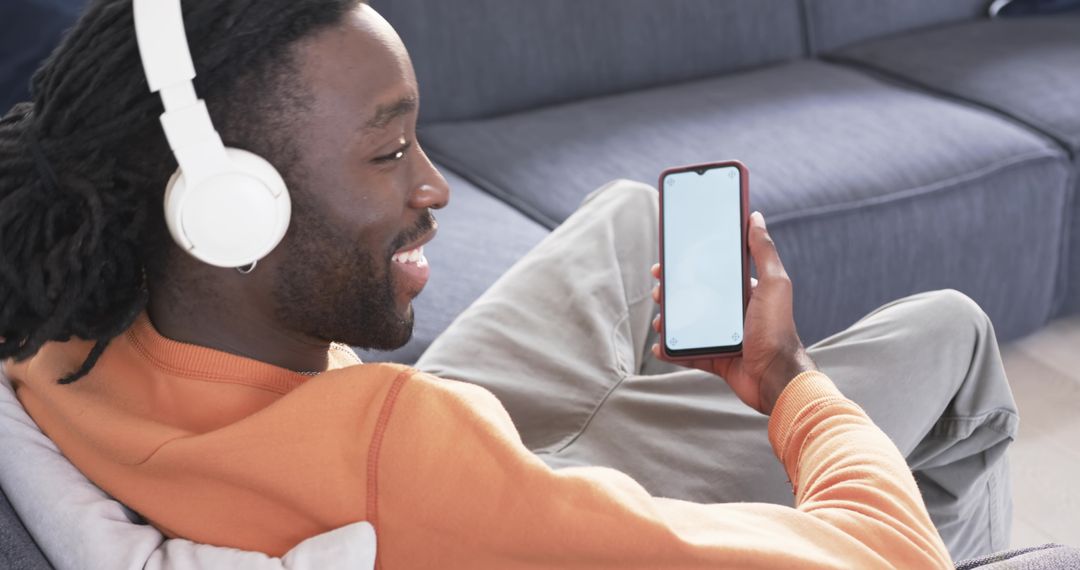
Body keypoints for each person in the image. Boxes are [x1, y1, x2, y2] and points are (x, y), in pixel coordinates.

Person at [0, 0, 1018, 567]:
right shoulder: (408, 456)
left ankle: (643, 406)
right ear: (233, 209)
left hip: (359, 443)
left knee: (630, 209)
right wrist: (791, 383)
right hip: (429, 476)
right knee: (953, 332)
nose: (433, 185)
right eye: (390, 149)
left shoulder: (54, 313)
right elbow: (885, 553)